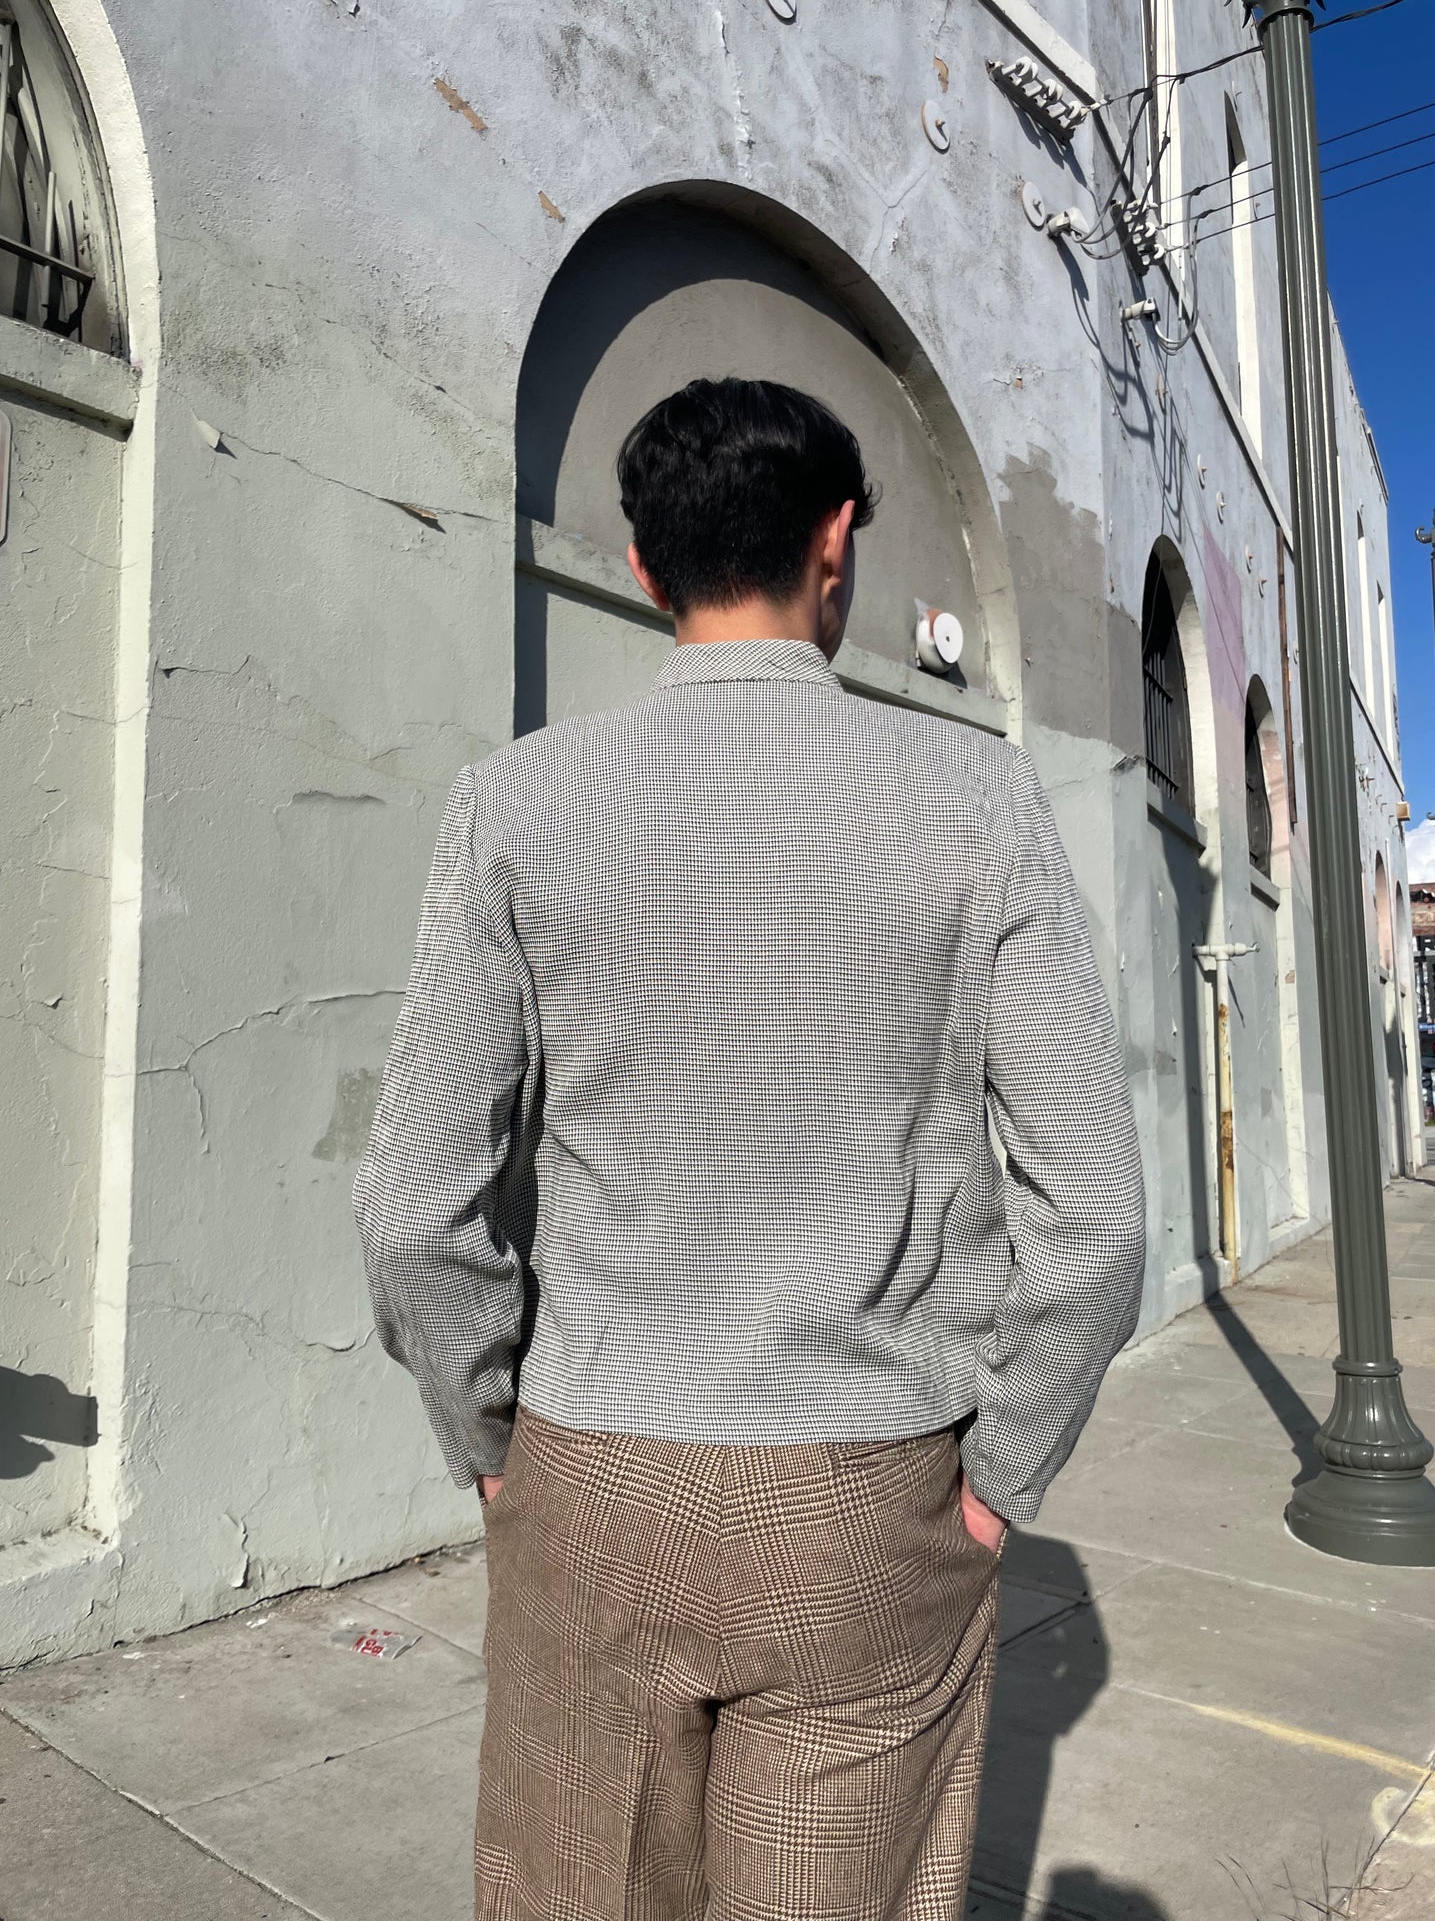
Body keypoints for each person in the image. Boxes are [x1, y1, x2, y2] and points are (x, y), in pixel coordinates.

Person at [354, 376, 1146, 1921]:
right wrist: (994, 1481)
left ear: (645, 566)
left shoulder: (513, 806)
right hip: (867, 1502)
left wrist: (495, 1447)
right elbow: (1097, 1222)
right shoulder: (975, 801)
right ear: (834, 542)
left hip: (590, 1480)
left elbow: (408, 1206)